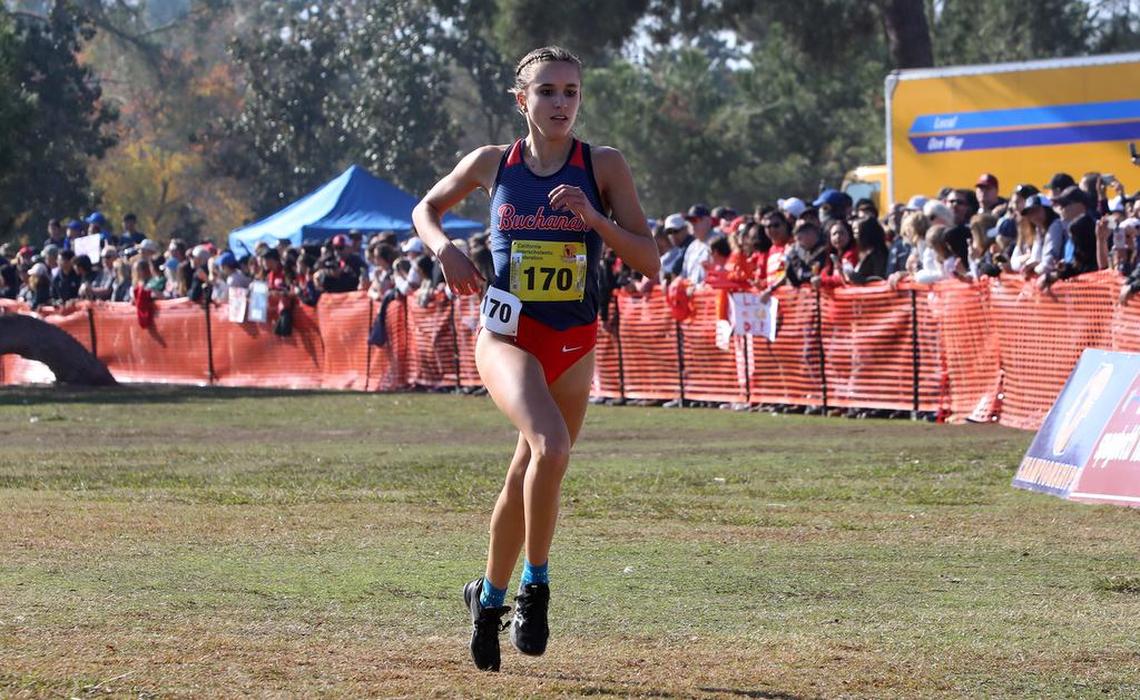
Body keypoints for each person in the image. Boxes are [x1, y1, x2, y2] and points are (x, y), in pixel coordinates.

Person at [411, 45, 658, 673]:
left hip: (574, 343)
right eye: (547, 91)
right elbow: (426, 208)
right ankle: (535, 588)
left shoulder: (603, 166)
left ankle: (485, 598)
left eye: (571, 93)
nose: (560, 104)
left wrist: (593, 219)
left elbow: (648, 258)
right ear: (520, 99)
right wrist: (444, 249)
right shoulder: (494, 163)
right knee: (550, 446)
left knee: (531, 468)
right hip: (508, 336)